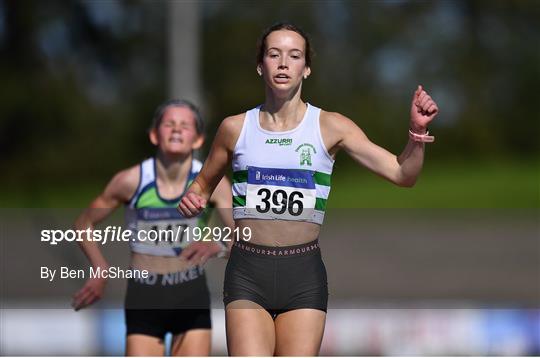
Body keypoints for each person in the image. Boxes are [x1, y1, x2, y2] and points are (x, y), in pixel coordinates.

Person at [178, 23, 439, 356]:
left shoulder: (331, 127)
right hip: (247, 274)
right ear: (261, 65)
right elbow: (202, 185)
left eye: (294, 55)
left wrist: (416, 134)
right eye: (274, 54)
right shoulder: (234, 129)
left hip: (302, 276)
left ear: (307, 68)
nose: (284, 63)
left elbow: (402, 173)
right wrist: (194, 197)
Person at [73, 99, 233, 356]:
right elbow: (84, 222)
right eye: (169, 124)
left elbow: (245, 239)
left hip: (190, 295)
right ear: (154, 135)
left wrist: (219, 246)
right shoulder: (131, 181)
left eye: (185, 125)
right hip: (144, 296)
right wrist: (100, 269)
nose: (176, 129)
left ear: (199, 140)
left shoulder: (215, 184)